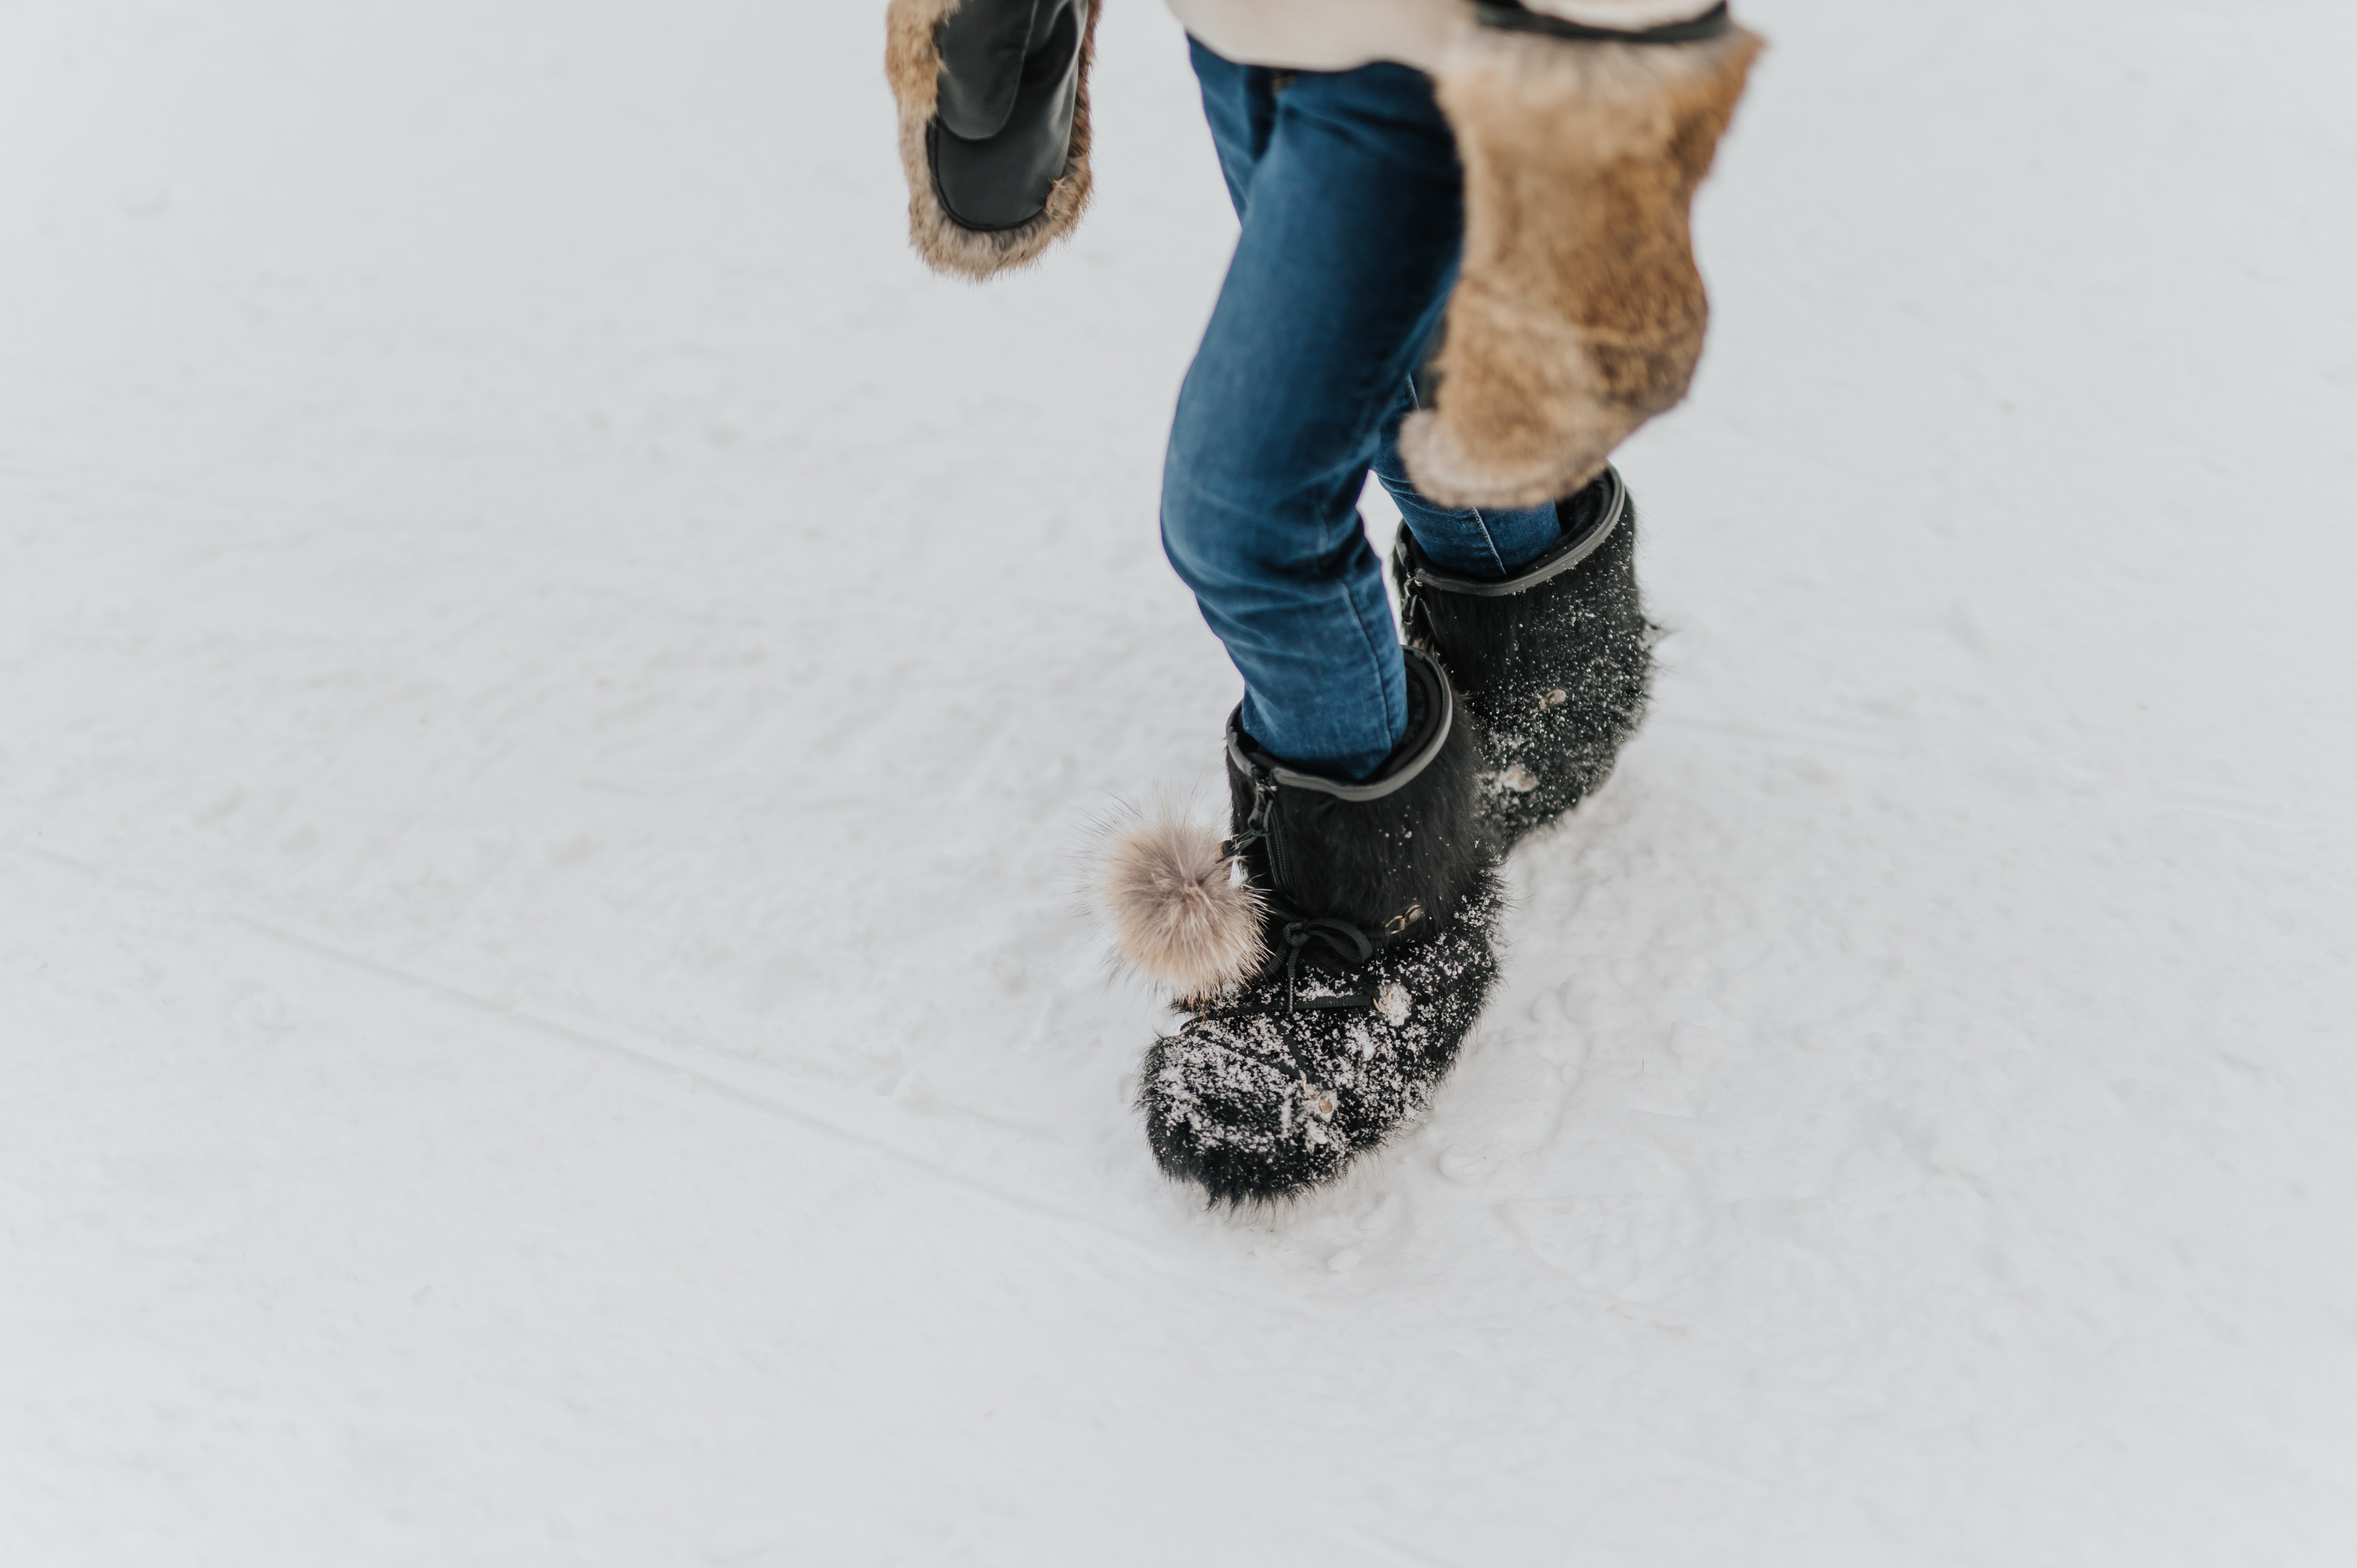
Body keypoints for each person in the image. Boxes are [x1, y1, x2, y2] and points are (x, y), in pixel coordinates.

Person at [885, 0, 1760, 1201]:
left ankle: (1389, 915)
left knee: (1246, 516)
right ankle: (1539, 658)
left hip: (1424, 49)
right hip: (1249, 22)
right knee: (1410, 385)